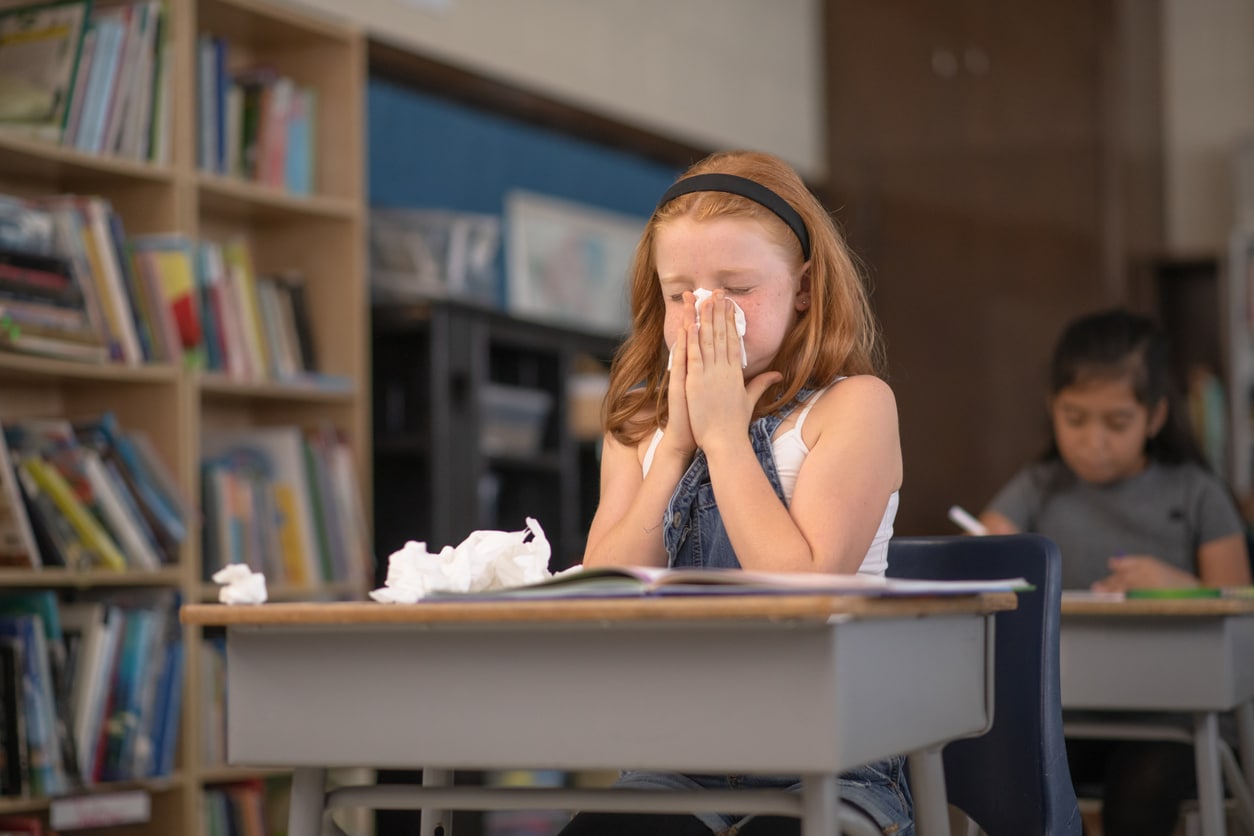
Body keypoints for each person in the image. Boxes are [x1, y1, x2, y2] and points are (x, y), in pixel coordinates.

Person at [556, 150, 909, 836]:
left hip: (830, 764)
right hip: (676, 761)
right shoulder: (637, 425)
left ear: (803, 288)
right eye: (681, 294)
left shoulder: (854, 407)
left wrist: (723, 438)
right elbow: (602, 592)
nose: (705, 314)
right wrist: (677, 450)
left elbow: (804, 595)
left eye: (737, 288)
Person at [977, 307, 1252, 836]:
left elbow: (1240, 610)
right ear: (1051, 408)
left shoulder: (1197, 494)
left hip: (1172, 718)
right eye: (1074, 418)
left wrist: (1183, 589)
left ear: (1154, 417)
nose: (1093, 440)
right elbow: (980, 557)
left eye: (1117, 422)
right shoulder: (1039, 486)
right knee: (1010, 783)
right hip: (1062, 712)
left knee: (1141, 796)